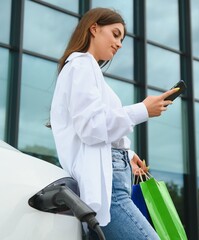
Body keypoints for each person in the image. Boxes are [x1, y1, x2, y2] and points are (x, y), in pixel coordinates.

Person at [50, 7, 178, 240]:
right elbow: (90, 126)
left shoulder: (87, 70)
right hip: (109, 188)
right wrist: (143, 109)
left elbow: (95, 127)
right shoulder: (81, 65)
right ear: (94, 28)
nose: (119, 43)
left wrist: (127, 153)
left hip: (112, 180)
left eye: (122, 39)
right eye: (115, 34)